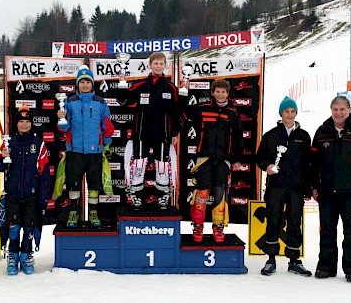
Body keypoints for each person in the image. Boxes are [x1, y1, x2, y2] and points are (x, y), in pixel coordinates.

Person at [256, 96, 312, 277]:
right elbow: (260, 158)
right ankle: (270, 259)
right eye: (286, 111)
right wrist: (268, 167)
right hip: (276, 187)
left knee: (295, 222)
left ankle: (294, 260)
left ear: (296, 113)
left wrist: (308, 187)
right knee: (273, 221)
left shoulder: (303, 136)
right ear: (281, 113)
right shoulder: (271, 135)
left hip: (296, 187)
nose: (289, 114)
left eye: (292, 111)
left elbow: (308, 164)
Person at [117, 52, 181, 210]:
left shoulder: (171, 87)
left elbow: (177, 112)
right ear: (150, 65)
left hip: (162, 134)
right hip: (141, 133)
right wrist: (122, 84)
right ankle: (136, 197)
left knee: (162, 166)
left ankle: (163, 197)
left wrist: (174, 133)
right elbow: (123, 101)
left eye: (161, 63)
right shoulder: (140, 86)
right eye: (156, 63)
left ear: (165, 65)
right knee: (138, 165)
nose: (158, 66)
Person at [183, 79, 243, 243]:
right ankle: (197, 226)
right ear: (212, 92)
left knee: (219, 194)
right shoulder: (202, 109)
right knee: (202, 194)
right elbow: (185, 112)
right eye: (217, 91)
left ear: (228, 94)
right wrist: (184, 90)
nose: (220, 94)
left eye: (223, 92)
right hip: (205, 158)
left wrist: (237, 159)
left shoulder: (232, 113)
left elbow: (238, 137)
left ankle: (218, 227)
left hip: (223, 160)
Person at [0, 105, 50, 275]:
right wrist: (2, 156)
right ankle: (12, 256)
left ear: (31, 124)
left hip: (31, 196)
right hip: (12, 195)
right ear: (16, 124)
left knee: (28, 228)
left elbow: (45, 173)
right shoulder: (8, 142)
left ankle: (26, 256)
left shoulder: (38, 144)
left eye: (27, 121)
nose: (24, 124)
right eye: (21, 121)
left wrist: (43, 198)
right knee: (13, 227)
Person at [58, 65, 114, 227]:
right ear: (77, 84)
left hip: (95, 152)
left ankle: (93, 212)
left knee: (94, 183)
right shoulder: (69, 102)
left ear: (92, 84)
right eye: (81, 82)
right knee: (73, 183)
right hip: (75, 151)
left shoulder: (100, 103)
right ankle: (74, 211)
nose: (84, 85)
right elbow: (64, 128)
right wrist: (61, 118)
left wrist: (107, 145)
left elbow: (107, 126)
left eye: (87, 82)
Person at [310, 95, 351, 283]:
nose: (339, 113)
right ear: (331, 110)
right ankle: (325, 267)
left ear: (349, 110)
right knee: (327, 230)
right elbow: (313, 163)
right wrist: (314, 185)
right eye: (335, 109)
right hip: (327, 191)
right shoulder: (322, 132)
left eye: (342, 109)